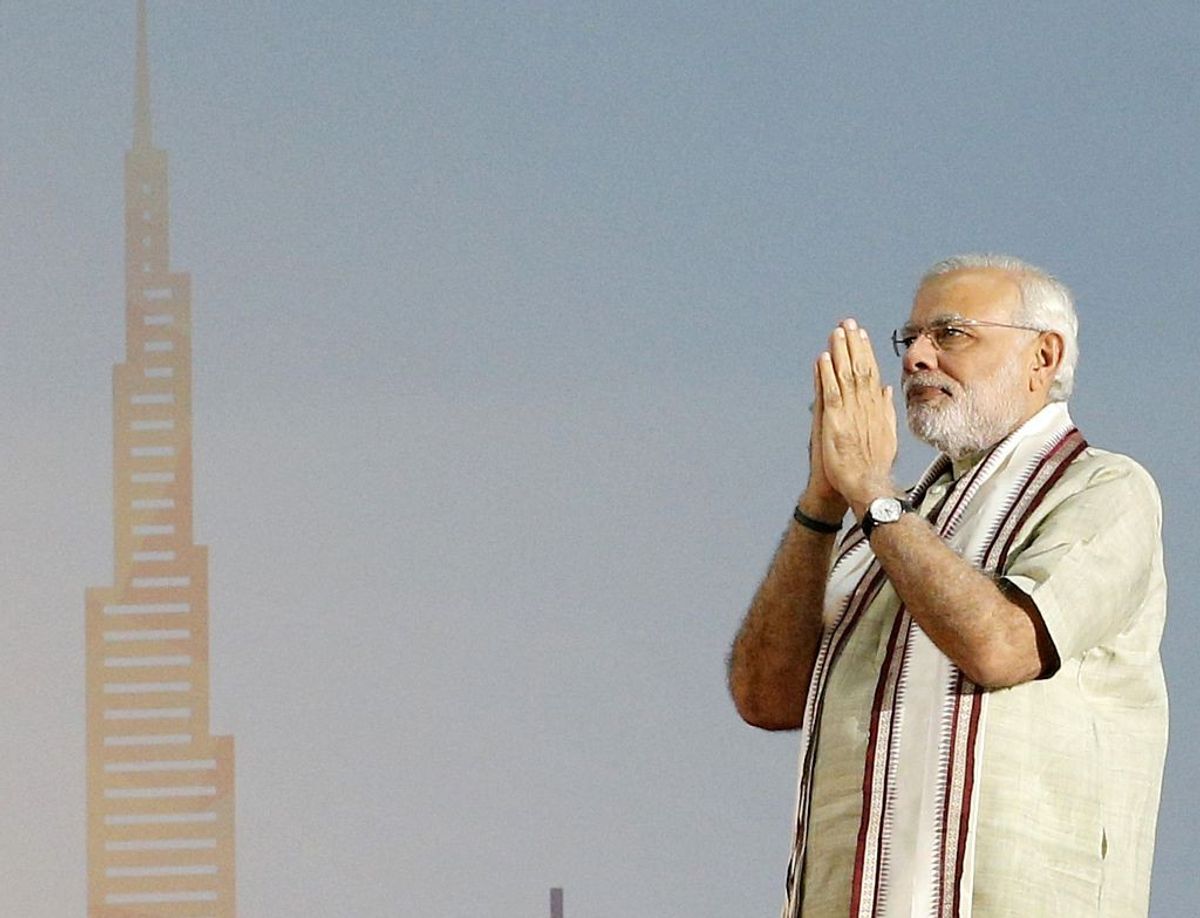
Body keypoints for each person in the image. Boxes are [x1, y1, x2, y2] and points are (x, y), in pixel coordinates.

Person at [727, 254, 1167, 917]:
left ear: (1043, 357)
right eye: (910, 339)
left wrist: (869, 490)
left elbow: (1002, 648)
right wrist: (823, 501)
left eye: (951, 334)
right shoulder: (884, 527)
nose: (916, 358)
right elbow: (767, 699)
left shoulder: (1103, 490)